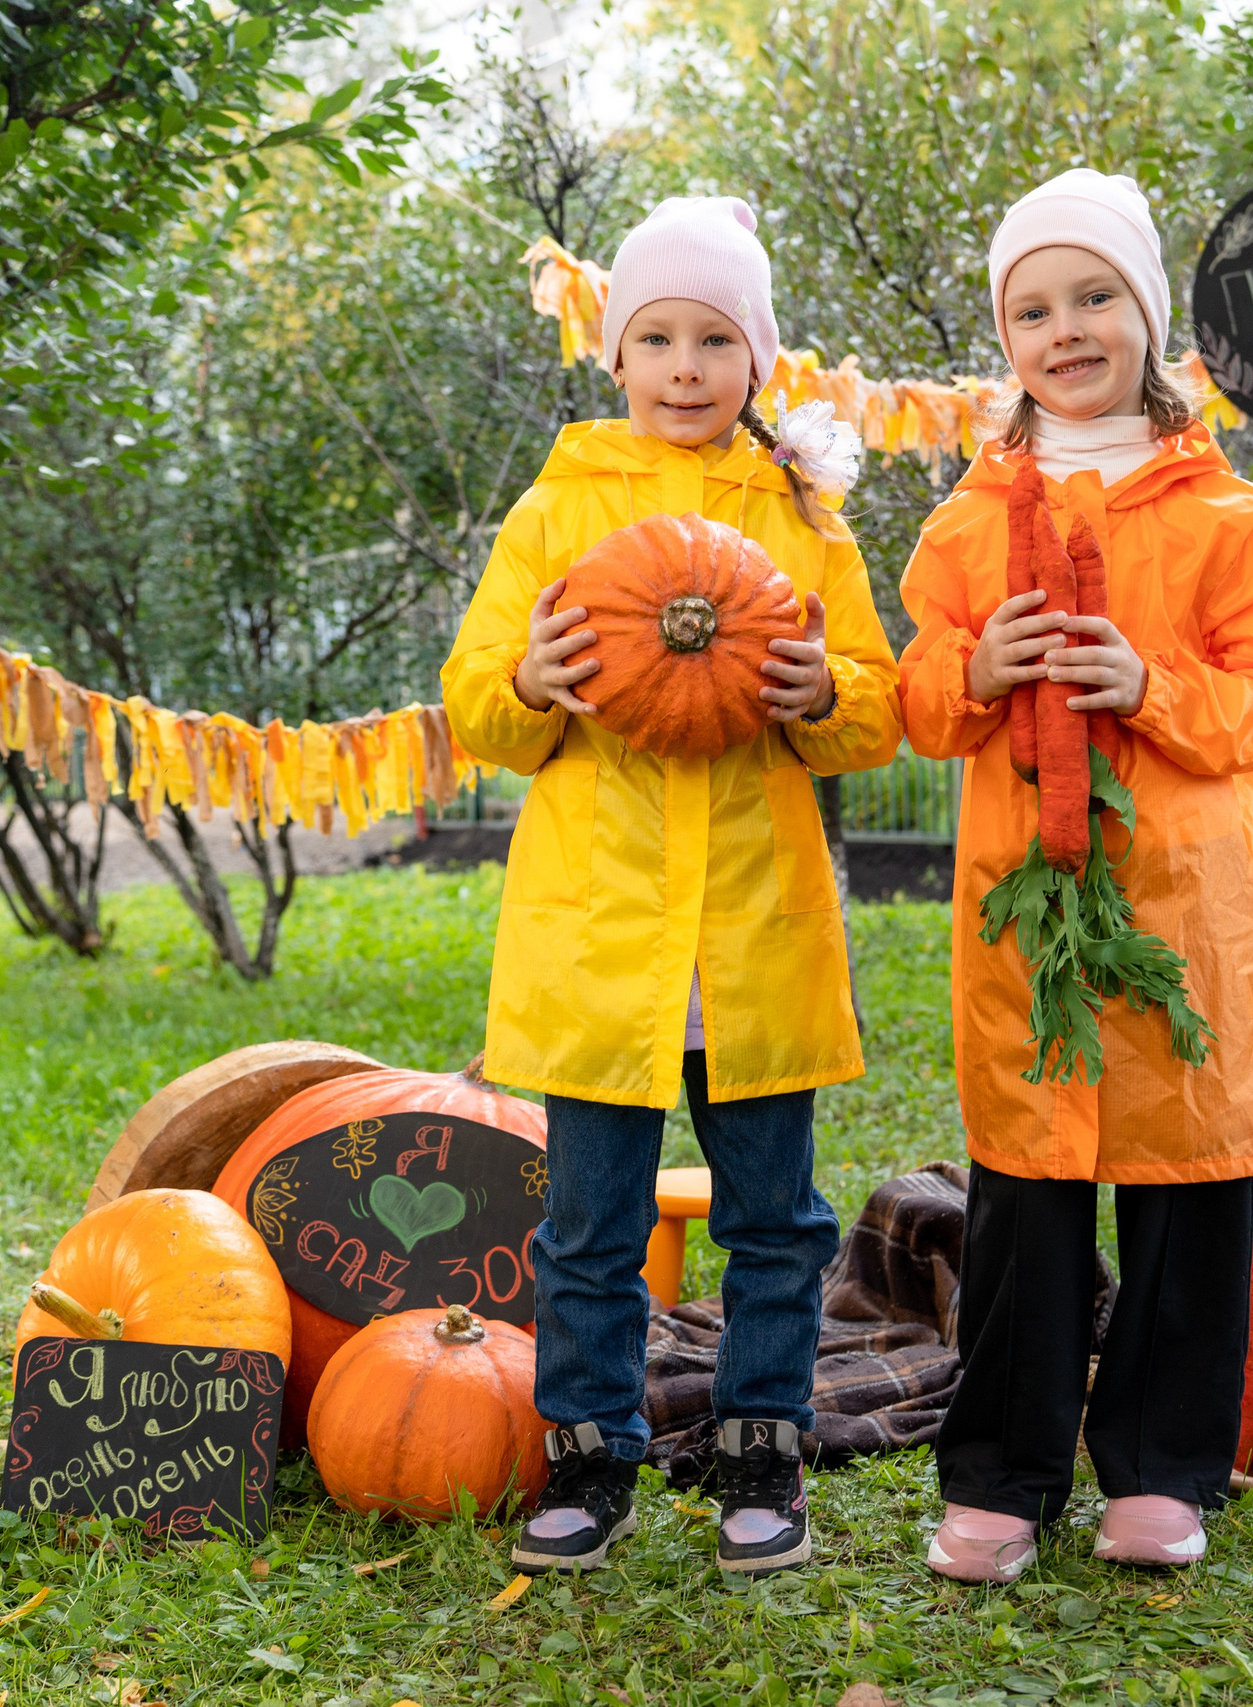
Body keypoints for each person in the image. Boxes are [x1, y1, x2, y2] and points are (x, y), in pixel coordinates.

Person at [441, 195, 902, 1578]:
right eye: (657, 337)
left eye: (715, 338)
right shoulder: (558, 508)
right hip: (605, 941)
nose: (686, 367)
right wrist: (531, 681)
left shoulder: (805, 518)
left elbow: (876, 705)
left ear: (758, 357)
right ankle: (590, 1456)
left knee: (777, 1222)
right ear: (616, 353)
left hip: (752, 935)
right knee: (592, 1226)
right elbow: (476, 699)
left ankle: (763, 1446)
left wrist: (824, 693)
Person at [894, 168, 1253, 1582]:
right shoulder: (967, 523)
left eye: (1094, 297)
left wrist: (1152, 685)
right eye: (1032, 309)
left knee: (1188, 1182)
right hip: (1027, 898)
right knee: (1024, 1189)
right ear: (1005, 338)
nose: (1065, 329)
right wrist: (975, 671)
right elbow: (917, 700)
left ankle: (1160, 1467)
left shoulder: (1233, 517)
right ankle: (1002, 1477)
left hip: (1184, 900)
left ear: (1147, 316)